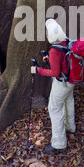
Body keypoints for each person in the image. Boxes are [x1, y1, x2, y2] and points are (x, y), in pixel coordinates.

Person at [31, 19, 75, 154]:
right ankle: (70, 127)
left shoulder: (54, 51)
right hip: (72, 80)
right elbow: (63, 62)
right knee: (68, 100)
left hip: (61, 82)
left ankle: (59, 144)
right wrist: (50, 60)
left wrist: (37, 70)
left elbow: (55, 73)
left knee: (54, 108)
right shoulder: (67, 40)